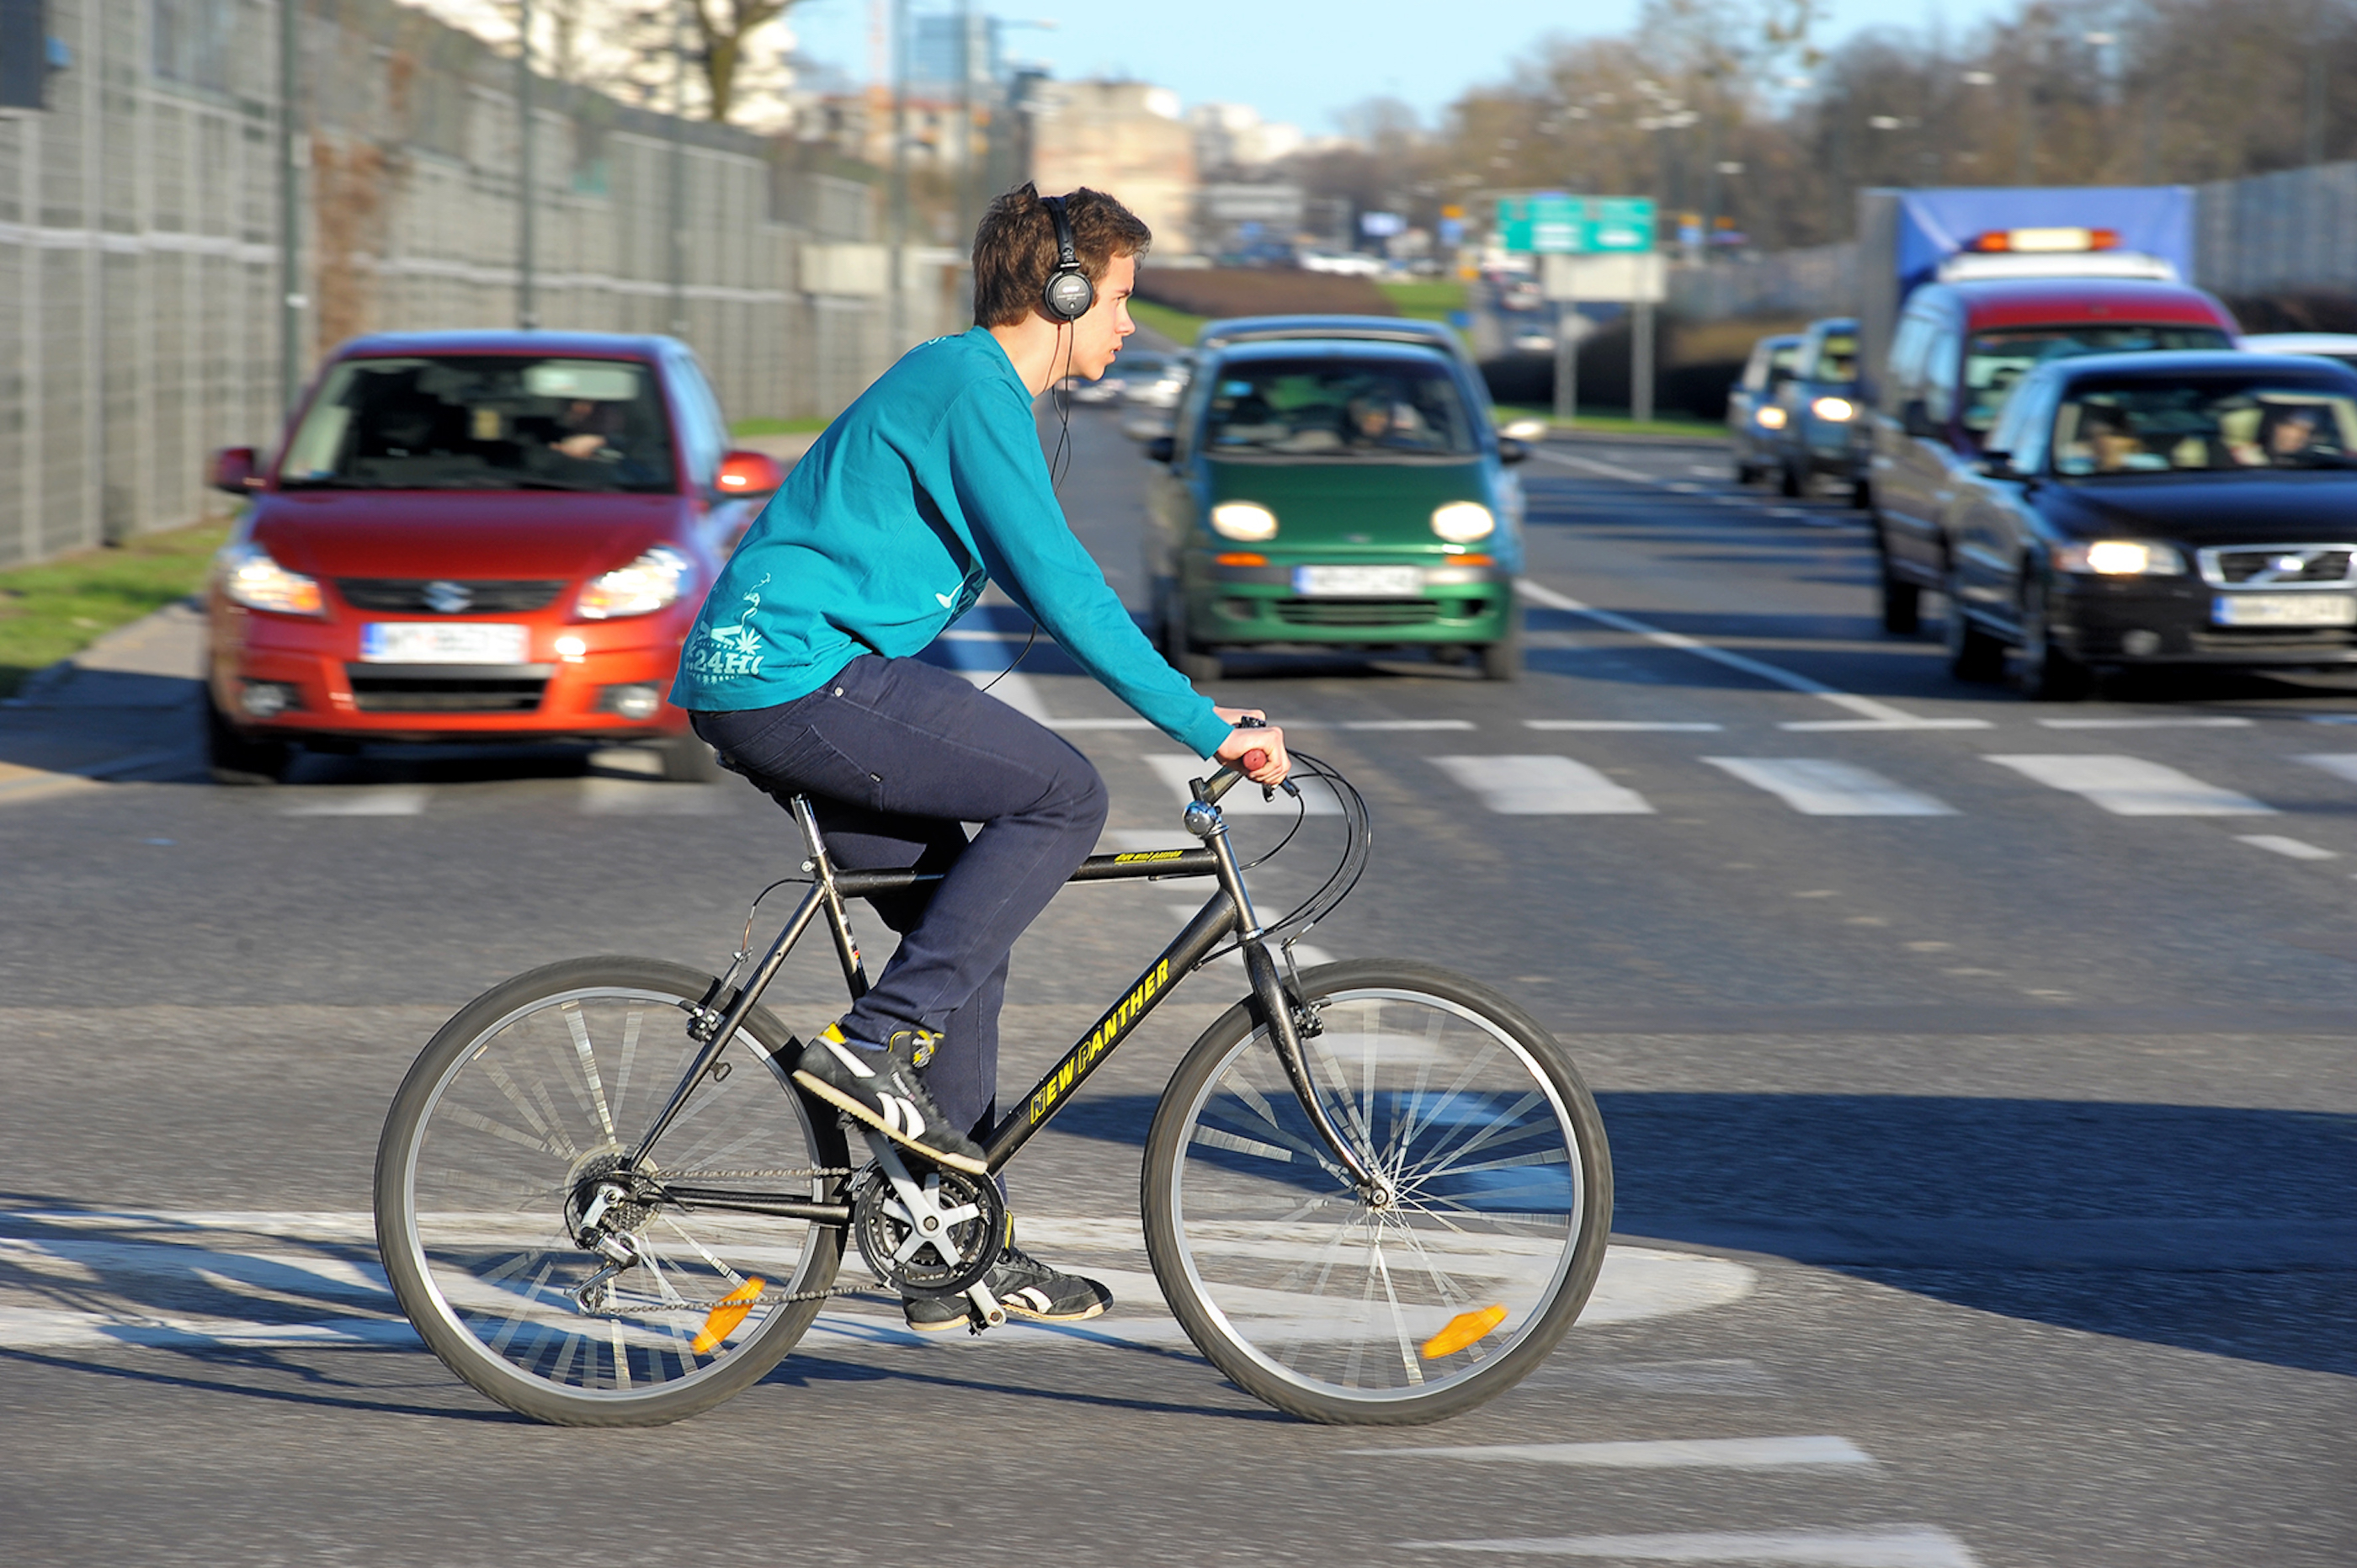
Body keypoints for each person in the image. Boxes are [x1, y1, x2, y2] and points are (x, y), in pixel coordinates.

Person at [669, 183, 1289, 1331]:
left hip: (777, 677)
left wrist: (1198, 712)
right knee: (1064, 794)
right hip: (794, 675)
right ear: (1061, 292)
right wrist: (1209, 728)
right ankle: (871, 1047)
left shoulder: (969, 387)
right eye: (1118, 299)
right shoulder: (971, 388)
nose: (1129, 324)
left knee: (968, 929)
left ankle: (948, 1247)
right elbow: (1064, 589)